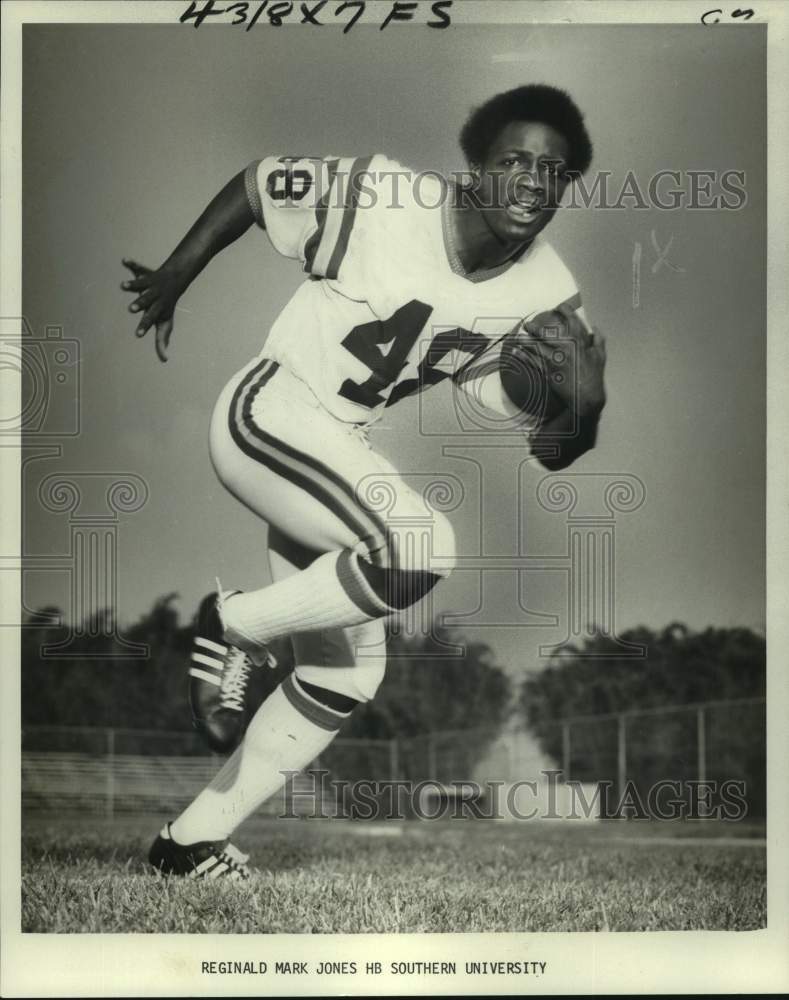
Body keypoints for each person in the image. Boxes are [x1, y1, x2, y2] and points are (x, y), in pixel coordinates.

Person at [122, 84, 607, 879]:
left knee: (345, 670)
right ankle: (234, 622)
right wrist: (178, 272)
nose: (529, 179)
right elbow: (258, 183)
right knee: (419, 545)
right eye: (512, 159)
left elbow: (550, 451)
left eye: (551, 170)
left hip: (334, 449)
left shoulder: (547, 294)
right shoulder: (387, 198)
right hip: (272, 409)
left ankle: (187, 842)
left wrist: (582, 411)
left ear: (565, 188)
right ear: (474, 169)